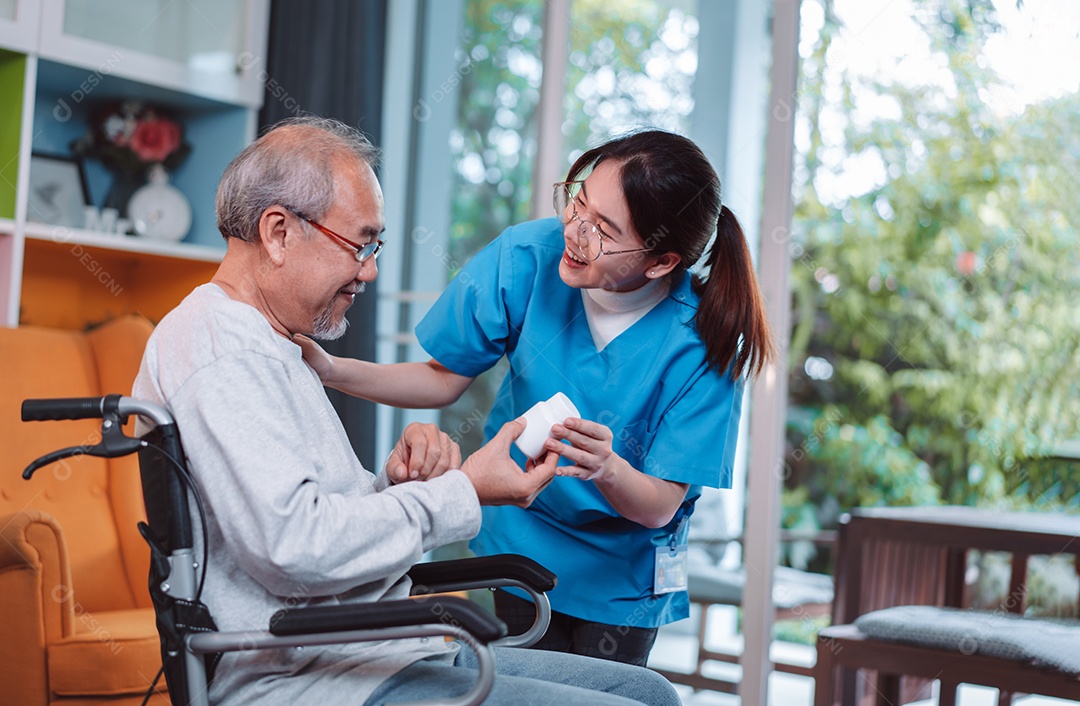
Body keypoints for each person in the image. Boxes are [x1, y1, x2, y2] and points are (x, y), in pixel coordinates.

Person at [133, 116, 681, 706]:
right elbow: (295, 549)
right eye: (360, 244)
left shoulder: (276, 345)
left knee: (646, 692)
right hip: (311, 677)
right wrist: (466, 489)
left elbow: (308, 522)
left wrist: (394, 485)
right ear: (278, 232)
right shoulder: (220, 349)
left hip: (378, 649)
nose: (369, 270)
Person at [297, 128, 776, 667]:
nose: (575, 232)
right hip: (524, 543)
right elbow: (441, 379)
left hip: (621, 574)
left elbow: (661, 505)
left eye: (604, 230)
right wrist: (332, 369)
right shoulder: (526, 258)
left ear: (661, 261)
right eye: (578, 203)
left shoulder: (702, 340)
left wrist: (607, 467)